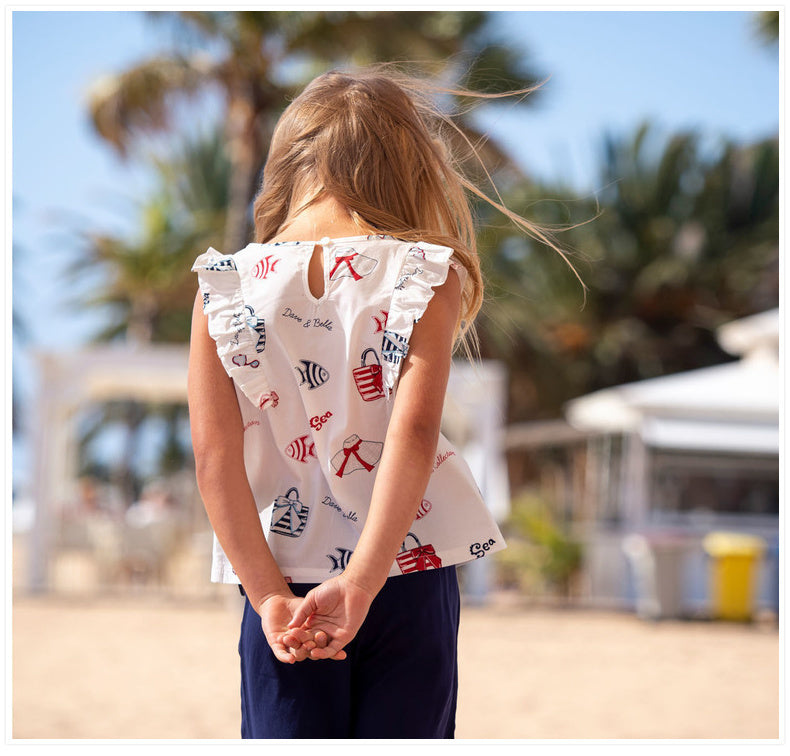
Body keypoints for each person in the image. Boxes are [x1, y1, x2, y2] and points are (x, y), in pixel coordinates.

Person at [188, 66, 580, 739]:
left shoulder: (222, 286)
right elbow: (415, 433)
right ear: (407, 167)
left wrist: (268, 598)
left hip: (281, 577)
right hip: (406, 570)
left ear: (287, 161)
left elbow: (213, 458)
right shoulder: (424, 270)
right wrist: (363, 584)